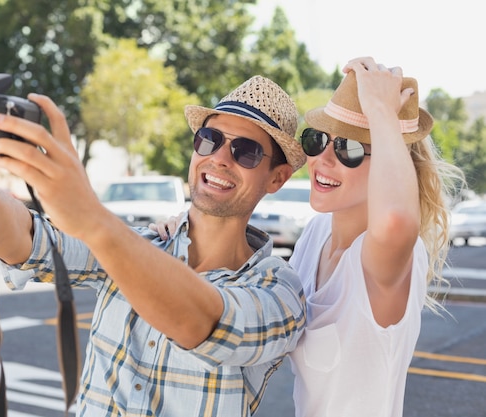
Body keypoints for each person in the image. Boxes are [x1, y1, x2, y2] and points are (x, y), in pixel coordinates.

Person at [0, 75, 308, 416]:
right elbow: (30, 242)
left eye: (246, 152)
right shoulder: (135, 245)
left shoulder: (281, 292)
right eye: (209, 140)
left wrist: (94, 219)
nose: (220, 158)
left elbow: (205, 323)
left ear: (277, 178)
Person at [152, 57, 465, 417]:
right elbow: (253, 287)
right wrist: (191, 222)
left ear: (388, 161)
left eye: (348, 149)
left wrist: (381, 110)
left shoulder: (382, 259)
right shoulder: (318, 233)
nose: (323, 160)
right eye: (317, 141)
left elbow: (395, 219)